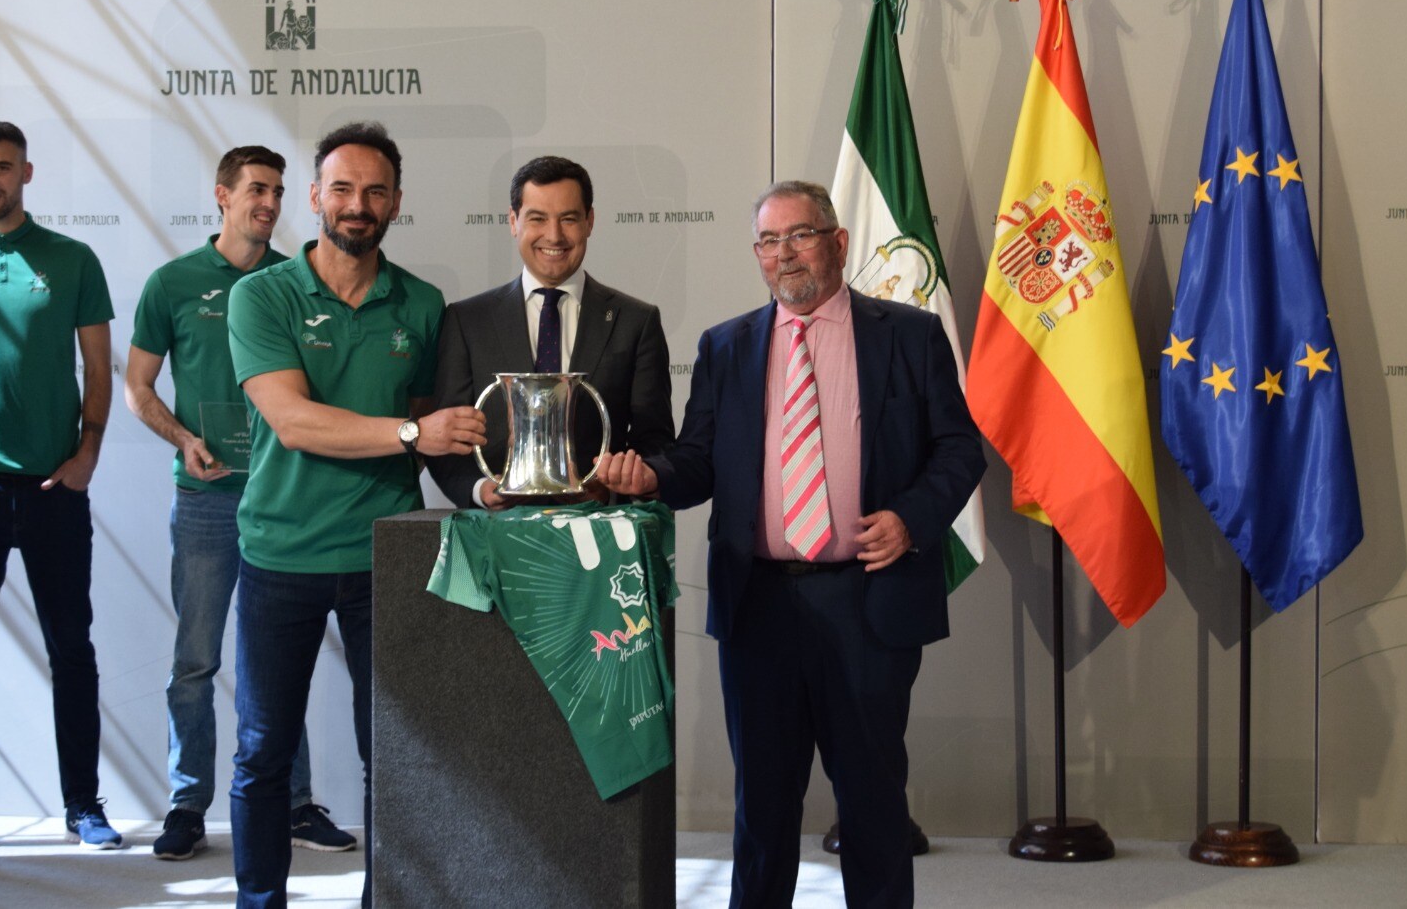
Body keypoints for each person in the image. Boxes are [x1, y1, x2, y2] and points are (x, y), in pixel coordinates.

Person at [596, 181, 985, 909]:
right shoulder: (726, 345)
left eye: (800, 235)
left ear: (838, 242)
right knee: (764, 810)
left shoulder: (907, 334)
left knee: (873, 804)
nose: (785, 254)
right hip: (761, 602)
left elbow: (961, 449)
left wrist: (910, 517)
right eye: (770, 241)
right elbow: (700, 462)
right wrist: (650, 475)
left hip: (868, 598)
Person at [226, 121, 486, 908]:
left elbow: (438, 441)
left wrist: (484, 487)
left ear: (397, 203)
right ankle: (259, 900)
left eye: (375, 191)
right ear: (314, 198)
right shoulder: (259, 295)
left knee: (393, 755)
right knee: (263, 753)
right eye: (341, 188)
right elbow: (295, 421)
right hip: (281, 554)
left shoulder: (425, 303)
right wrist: (411, 433)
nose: (358, 204)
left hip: (387, 558)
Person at [124, 146, 355, 860]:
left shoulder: (297, 282)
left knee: (279, 664)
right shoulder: (172, 283)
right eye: (257, 188)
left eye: (280, 191)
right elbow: (138, 386)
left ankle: (293, 802)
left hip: (285, 501)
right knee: (195, 659)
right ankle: (187, 803)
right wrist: (182, 437)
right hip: (206, 502)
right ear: (221, 195)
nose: (270, 202)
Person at [0, 120, 124, 849]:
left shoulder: (72, 259)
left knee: (71, 648)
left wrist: (88, 454)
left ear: (27, 173)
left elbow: (99, 370)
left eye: (4, 167)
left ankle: (84, 805)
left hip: (53, 489)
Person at [427, 155, 674, 507]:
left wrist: (619, 485)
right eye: (537, 219)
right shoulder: (467, 321)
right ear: (513, 222)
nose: (554, 235)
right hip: (496, 538)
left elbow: (657, 444)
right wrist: (479, 491)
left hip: (600, 539)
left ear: (590, 221)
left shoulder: (636, 321)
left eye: (569, 219)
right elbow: (447, 440)